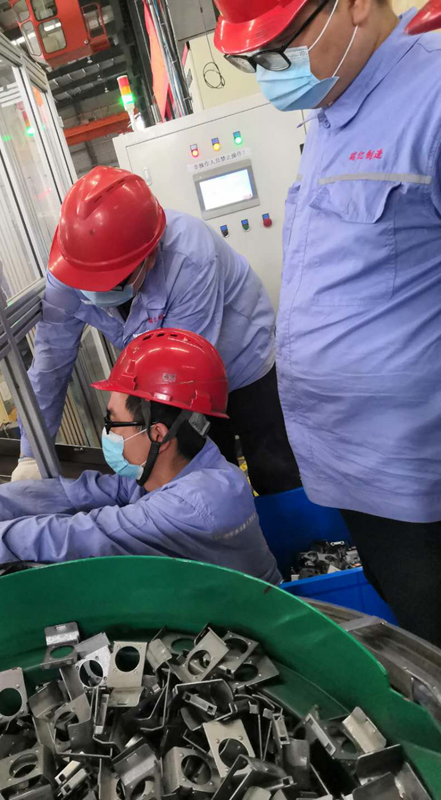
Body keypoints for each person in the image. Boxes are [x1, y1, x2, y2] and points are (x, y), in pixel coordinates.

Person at [213, 0, 441, 644]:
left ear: (356, 4)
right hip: (361, 482)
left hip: (420, 482)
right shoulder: (334, 111)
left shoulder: (431, 95)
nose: (271, 70)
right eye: (255, 58)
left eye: (280, 46)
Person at [0, 329, 281, 585]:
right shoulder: (187, 463)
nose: (107, 433)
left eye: (113, 422)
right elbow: (73, 495)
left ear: (158, 433)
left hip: (247, 632)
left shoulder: (198, 502)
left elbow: (72, 534)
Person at [14, 165, 300, 496]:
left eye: (112, 282)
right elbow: (50, 366)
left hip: (243, 363)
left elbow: (179, 376)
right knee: (205, 472)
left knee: (274, 466)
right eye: (88, 282)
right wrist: (31, 454)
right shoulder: (71, 266)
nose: (96, 292)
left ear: (149, 257)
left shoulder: (189, 257)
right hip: (179, 372)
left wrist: (138, 448)